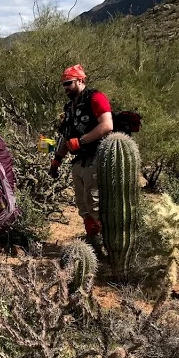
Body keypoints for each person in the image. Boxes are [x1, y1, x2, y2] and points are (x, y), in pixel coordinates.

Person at [49, 64, 113, 245]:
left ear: (80, 80)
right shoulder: (70, 106)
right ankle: (93, 240)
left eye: (68, 83)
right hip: (78, 160)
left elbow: (107, 125)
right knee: (82, 204)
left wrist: (82, 141)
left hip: (96, 156)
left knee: (95, 202)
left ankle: (104, 242)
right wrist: (56, 161)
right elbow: (65, 136)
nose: (66, 88)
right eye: (63, 84)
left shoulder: (96, 97)